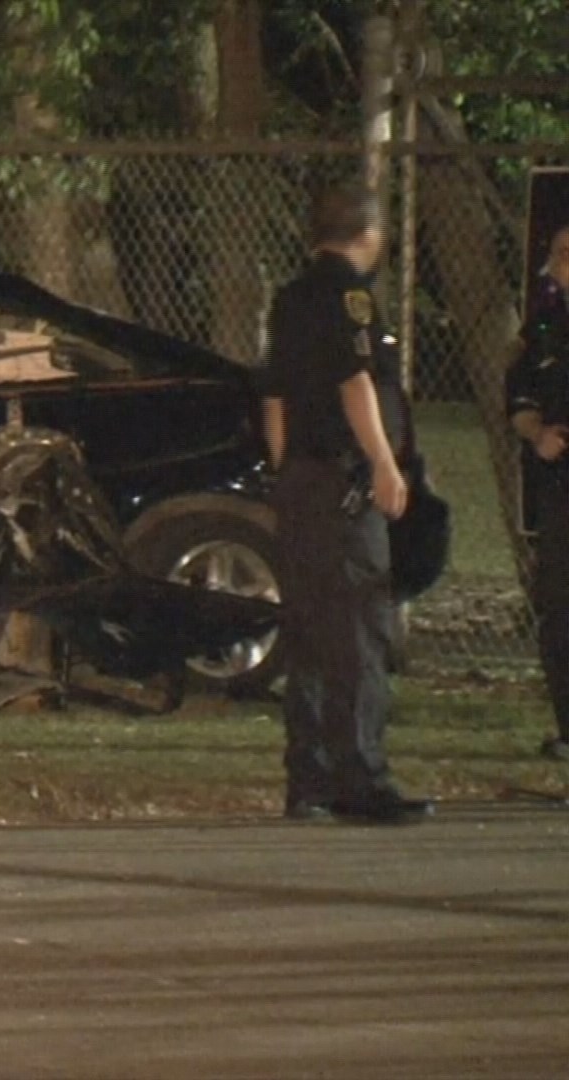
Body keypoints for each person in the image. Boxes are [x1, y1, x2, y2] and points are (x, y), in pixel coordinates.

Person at [260, 183, 432, 824]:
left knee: (307, 630)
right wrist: (385, 465)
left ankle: (309, 778)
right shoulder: (348, 300)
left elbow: (274, 394)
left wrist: (286, 471)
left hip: (303, 482)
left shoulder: (290, 299)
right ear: (370, 234)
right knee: (359, 630)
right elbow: (355, 381)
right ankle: (362, 779)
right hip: (343, 487)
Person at [505, 224, 569, 761]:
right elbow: (520, 403)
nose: (561, 264)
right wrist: (537, 434)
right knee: (557, 605)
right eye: (558, 255)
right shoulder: (543, 329)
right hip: (560, 488)